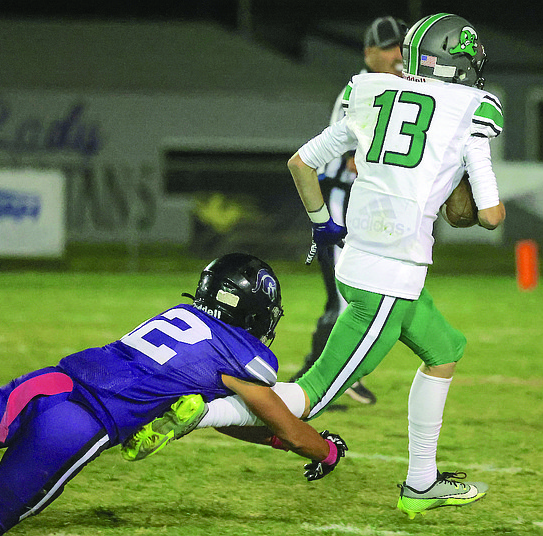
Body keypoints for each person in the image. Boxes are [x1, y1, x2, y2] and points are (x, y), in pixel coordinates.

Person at [124, 13, 506, 520]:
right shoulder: (470, 109)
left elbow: (301, 163)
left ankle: (422, 480)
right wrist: (460, 179)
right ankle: (198, 413)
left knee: (445, 350)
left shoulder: (369, 90)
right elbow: (489, 215)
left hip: (360, 258)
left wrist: (323, 224)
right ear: (454, 61)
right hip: (389, 275)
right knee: (312, 393)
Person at [0, 253, 347, 536]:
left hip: (50, 383)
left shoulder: (182, 318)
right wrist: (325, 450)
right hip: (80, 421)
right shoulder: (239, 354)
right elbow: (278, 418)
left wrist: (278, 439)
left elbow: (222, 417)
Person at [290, 17, 409, 409]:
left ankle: (335, 376)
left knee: (360, 294)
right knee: (344, 297)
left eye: (400, 46)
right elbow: (355, 157)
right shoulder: (358, 90)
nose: (397, 54)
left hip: (364, 205)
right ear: (368, 53)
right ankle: (314, 377)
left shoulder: (399, 87)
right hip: (340, 202)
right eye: (389, 47)